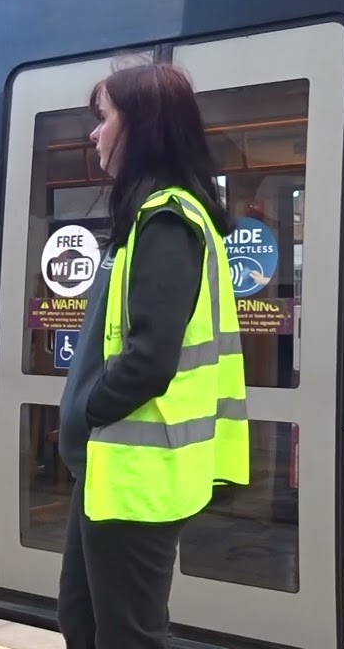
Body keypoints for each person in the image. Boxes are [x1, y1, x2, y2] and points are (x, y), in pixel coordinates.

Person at [55, 62, 250, 648]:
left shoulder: (167, 220)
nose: (95, 134)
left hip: (136, 474)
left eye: (104, 117)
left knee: (128, 636)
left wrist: (88, 410)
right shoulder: (147, 215)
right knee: (83, 620)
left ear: (141, 126)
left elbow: (150, 358)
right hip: (110, 469)